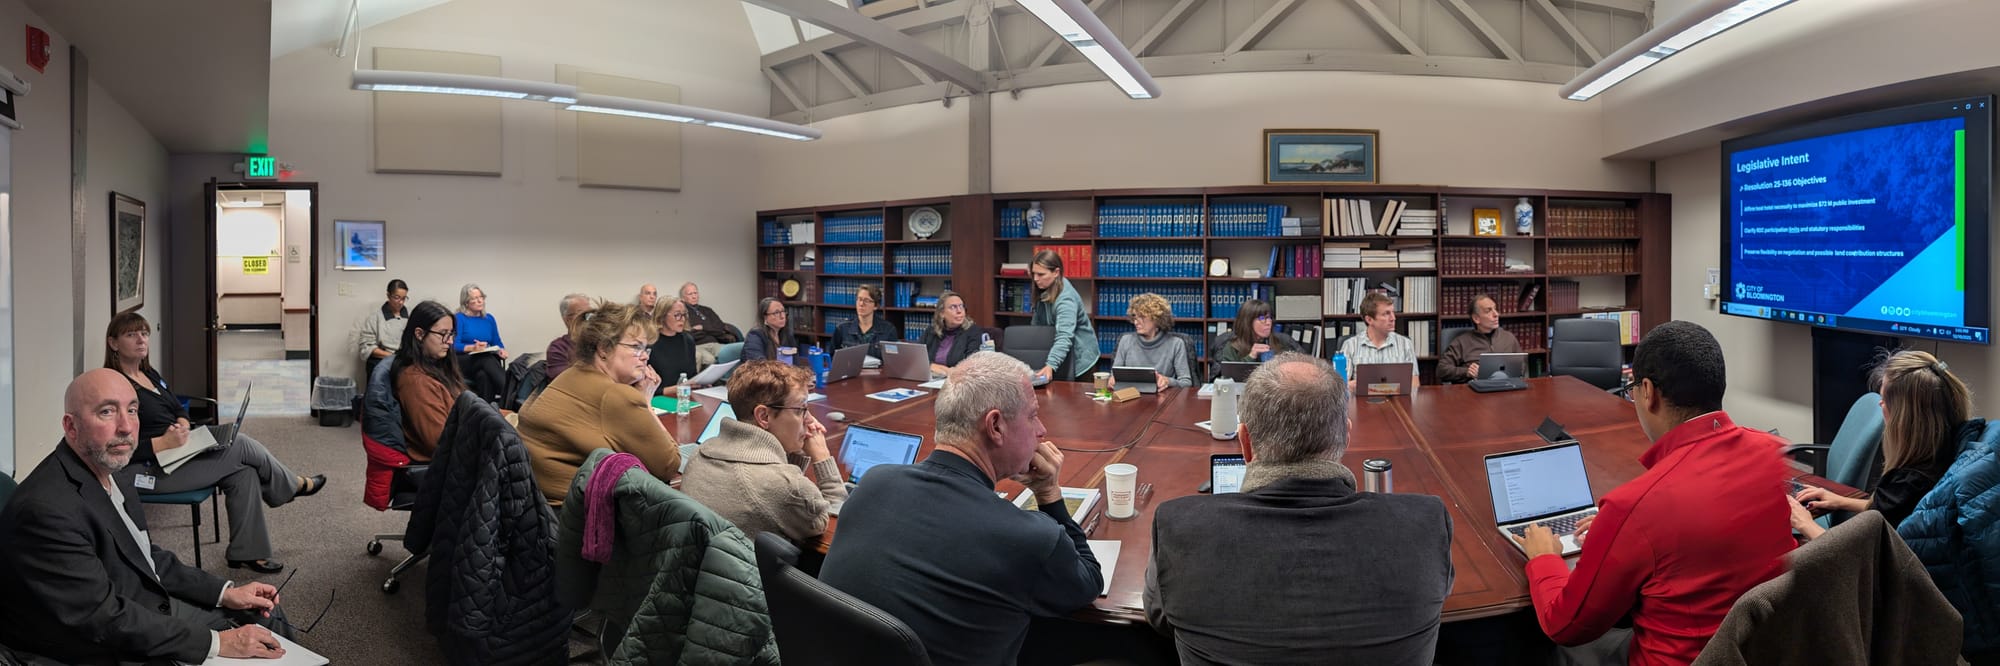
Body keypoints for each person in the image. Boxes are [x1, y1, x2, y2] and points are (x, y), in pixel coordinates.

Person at [1514, 320, 1795, 664]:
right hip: (1759, 651)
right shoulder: (1772, 453)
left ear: (1647, 392)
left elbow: (1565, 625)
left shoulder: (1634, 506)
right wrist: (1620, 532)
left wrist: (1544, 558)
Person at [1145, 353, 1452, 663]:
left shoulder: (1178, 529)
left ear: (1245, 444)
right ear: (1345, 436)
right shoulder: (1426, 524)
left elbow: (1160, 620)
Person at [819, 352, 1102, 665]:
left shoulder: (873, 483)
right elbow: (1087, 582)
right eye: (1033, 415)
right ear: (995, 426)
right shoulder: (1026, 537)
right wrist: (1049, 493)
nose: (1042, 430)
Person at [0, 370, 290, 664]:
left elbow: (143, 555)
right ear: (71, 426)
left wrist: (225, 592)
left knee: (263, 612)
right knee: (254, 634)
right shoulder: (46, 510)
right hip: (96, 643)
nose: (126, 427)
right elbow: (102, 618)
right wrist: (216, 643)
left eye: (132, 410)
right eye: (106, 412)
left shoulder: (114, 470)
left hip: (135, 603)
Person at [102, 313, 325, 574]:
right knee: (239, 445)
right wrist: (162, 443)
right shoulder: (113, 387)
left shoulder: (148, 373)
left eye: (144, 333)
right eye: (131, 335)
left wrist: (183, 423)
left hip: (178, 452)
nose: (141, 340)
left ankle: (247, 552)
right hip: (145, 469)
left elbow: (177, 407)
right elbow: (111, 446)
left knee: (244, 472)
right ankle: (292, 485)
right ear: (113, 343)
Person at [1791, 349, 1969, 539]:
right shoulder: (1953, 447)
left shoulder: (1909, 483)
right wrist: (1841, 501)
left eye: (1884, 400)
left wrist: (1804, 523)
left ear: (1903, 417)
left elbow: (1858, 555)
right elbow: (1892, 508)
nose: (1880, 404)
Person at [518, 302, 678, 504]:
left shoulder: (571, 373)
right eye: (636, 347)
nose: (645, 356)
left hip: (537, 504)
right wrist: (646, 402)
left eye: (646, 348)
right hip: (578, 513)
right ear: (603, 349)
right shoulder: (615, 396)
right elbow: (668, 465)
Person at [679, 361, 846, 540]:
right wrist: (822, 458)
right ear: (764, 416)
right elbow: (834, 519)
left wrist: (795, 448)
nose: (809, 419)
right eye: (800, 410)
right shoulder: (782, 486)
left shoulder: (699, 454)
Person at [391, 301, 467, 461]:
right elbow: (441, 442)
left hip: (466, 438)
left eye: (451, 334)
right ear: (419, 334)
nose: (450, 341)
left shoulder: (437, 366)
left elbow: (467, 408)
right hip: (454, 460)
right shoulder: (416, 382)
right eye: (443, 334)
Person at [1029, 250, 1097, 381]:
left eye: (1041, 274)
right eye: (1033, 273)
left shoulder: (1066, 299)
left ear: (1056, 272)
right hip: (1058, 352)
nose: (1036, 278)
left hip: (1080, 357)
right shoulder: (1043, 288)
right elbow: (1036, 326)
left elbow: (1064, 336)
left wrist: (1051, 364)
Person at [1112, 292, 1193, 391]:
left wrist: (1167, 381)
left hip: (1163, 397)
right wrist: (1112, 380)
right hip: (1130, 396)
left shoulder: (1176, 344)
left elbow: (1186, 382)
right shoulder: (1125, 341)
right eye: (1135, 317)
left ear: (1157, 319)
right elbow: (1114, 376)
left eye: (1142, 317)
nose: (1136, 322)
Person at [1337, 291, 1419, 386]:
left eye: (1393, 312)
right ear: (1369, 319)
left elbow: (1415, 384)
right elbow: (1340, 386)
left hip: (1397, 395)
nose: (1393, 318)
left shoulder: (1405, 344)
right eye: (1386, 314)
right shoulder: (1350, 345)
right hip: (1361, 395)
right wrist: (1353, 386)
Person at [1437, 293, 1521, 383]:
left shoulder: (1509, 337)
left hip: (1507, 386)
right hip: (1475, 388)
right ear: (1476, 318)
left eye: (1495, 309)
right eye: (1488, 311)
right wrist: (1466, 372)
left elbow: (1522, 366)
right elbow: (1441, 370)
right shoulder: (1461, 342)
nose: (1496, 314)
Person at [453, 283, 509, 404]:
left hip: (484, 362)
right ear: (466, 302)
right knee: (485, 358)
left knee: (483, 376)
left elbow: (497, 341)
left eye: (481, 297)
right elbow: (453, 345)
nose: (480, 301)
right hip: (464, 361)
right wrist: (473, 347)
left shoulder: (489, 319)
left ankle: (486, 411)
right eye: (474, 298)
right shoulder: (459, 318)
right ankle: (509, 394)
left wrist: (501, 350)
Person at [1213, 299, 1299, 364]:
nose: (1268, 322)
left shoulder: (1282, 342)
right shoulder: (1232, 348)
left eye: (1269, 318)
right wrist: (1251, 356)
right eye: (1262, 318)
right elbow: (1231, 378)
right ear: (1247, 322)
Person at [918, 290, 984, 375]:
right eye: (953, 307)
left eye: (961, 306)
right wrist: (943, 369)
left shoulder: (973, 332)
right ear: (942, 313)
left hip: (957, 379)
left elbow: (971, 364)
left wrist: (933, 367)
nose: (959, 311)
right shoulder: (931, 331)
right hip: (930, 377)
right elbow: (917, 358)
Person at [680, 281, 740, 369]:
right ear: (683, 298)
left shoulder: (707, 310)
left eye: (695, 293)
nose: (694, 296)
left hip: (715, 343)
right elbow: (688, 334)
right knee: (710, 360)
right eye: (690, 294)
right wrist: (710, 330)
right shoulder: (682, 313)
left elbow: (720, 328)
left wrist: (703, 328)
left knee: (733, 353)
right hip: (698, 345)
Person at [647, 296, 701, 392]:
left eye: (684, 314)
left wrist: (701, 383)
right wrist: (673, 389)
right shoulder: (649, 343)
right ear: (662, 316)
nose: (682, 319)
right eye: (677, 315)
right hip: (658, 397)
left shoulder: (688, 340)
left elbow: (692, 375)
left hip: (684, 395)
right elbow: (642, 388)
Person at [357, 278, 409, 379]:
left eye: (404, 298)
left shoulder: (411, 315)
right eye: (397, 298)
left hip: (405, 361)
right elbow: (366, 347)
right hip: (382, 361)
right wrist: (393, 357)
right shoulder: (375, 318)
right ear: (388, 295)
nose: (401, 302)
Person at [831, 284, 899, 358]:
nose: (861, 304)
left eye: (866, 301)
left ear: (876, 306)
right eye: (859, 299)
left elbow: (893, 359)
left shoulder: (888, 330)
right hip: (850, 366)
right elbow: (833, 357)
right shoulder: (842, 328)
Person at [544, 292, 593, 379]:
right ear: (567, 320)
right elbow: (564, 381)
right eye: (582, 314)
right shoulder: (558, 348)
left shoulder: (601, 342)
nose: (589, 319)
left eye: (591, 314)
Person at [742, 297, 800, 363]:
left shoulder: (787, 334)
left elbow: (796, 362)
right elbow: (759, 364)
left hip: (784, 369)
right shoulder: (755, 335)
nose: (782, 316)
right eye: (776, 313)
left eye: (783, 311)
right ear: (765, 317)